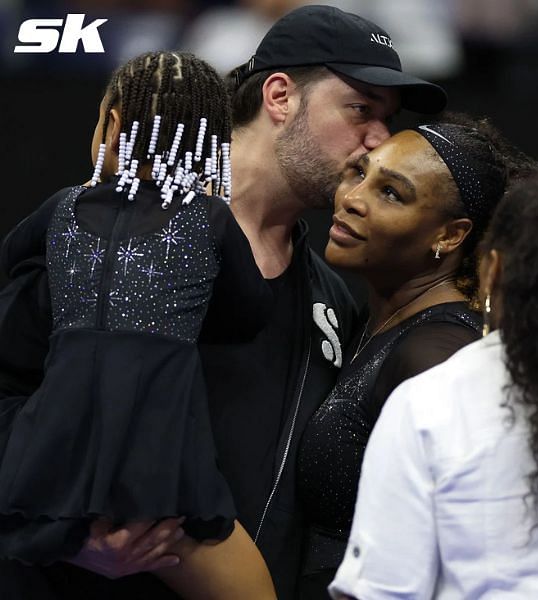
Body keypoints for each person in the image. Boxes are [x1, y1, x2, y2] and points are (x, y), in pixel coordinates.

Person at [0, 5, 449, 599]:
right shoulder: (104, 232)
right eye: (361, 109)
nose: (378, 141)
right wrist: (57, 525)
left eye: (387, 121)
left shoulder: (332, 299)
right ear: (280, 96)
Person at [0, 51, 275, 599]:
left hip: (52, 449)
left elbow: (9, 259)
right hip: (160, 453)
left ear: (114, 124)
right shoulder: (210, 216)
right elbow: (251, 314)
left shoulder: (62, 208)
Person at [294, 118, 538, 597]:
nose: (352, 198)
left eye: (391, 194)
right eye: (360, 173)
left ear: (450, 235)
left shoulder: (440, 355)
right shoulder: (372, 316)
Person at [331, 167, 538, 600]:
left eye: (393, 192)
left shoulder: (432, 403)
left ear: (493, 271)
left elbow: (383, 591)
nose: (355, 198)